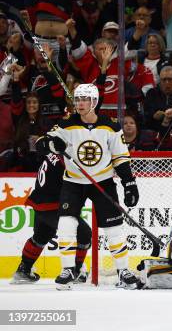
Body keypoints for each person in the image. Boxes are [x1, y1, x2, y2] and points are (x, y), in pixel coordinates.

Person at [35, 83, 141, 290]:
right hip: (73, 182)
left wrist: (129, 183)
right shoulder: (67, 124)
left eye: (84, 99)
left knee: (114, 228)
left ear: (94, 102)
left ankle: (123, 272)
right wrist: (51, 145)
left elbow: (120, 157)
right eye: (78, 99)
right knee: (66, 224)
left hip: (102, 181)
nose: (80, 103)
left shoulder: (111, 126)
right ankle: (67, 270)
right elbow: (41, 142)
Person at [11, 151, 91, 284]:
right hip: (53, 205)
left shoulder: (55, 151)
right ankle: (75, 271)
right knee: (84, 233)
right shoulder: (67, 156)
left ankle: (23, 270)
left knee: (41, 236)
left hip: (41, 202)